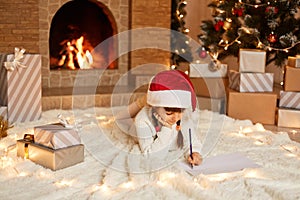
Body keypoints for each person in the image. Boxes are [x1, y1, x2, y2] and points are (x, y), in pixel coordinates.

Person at [124, 70, 203, 167]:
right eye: (169, 113)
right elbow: (152, 157)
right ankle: (143, 101)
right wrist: (167, 128)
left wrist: (195, 152)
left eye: (180, 111)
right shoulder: (142, 121)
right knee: (121, 120)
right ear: (155, 107)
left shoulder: (183, 115)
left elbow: (192, 140)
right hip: (134, 125)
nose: (176, 117)